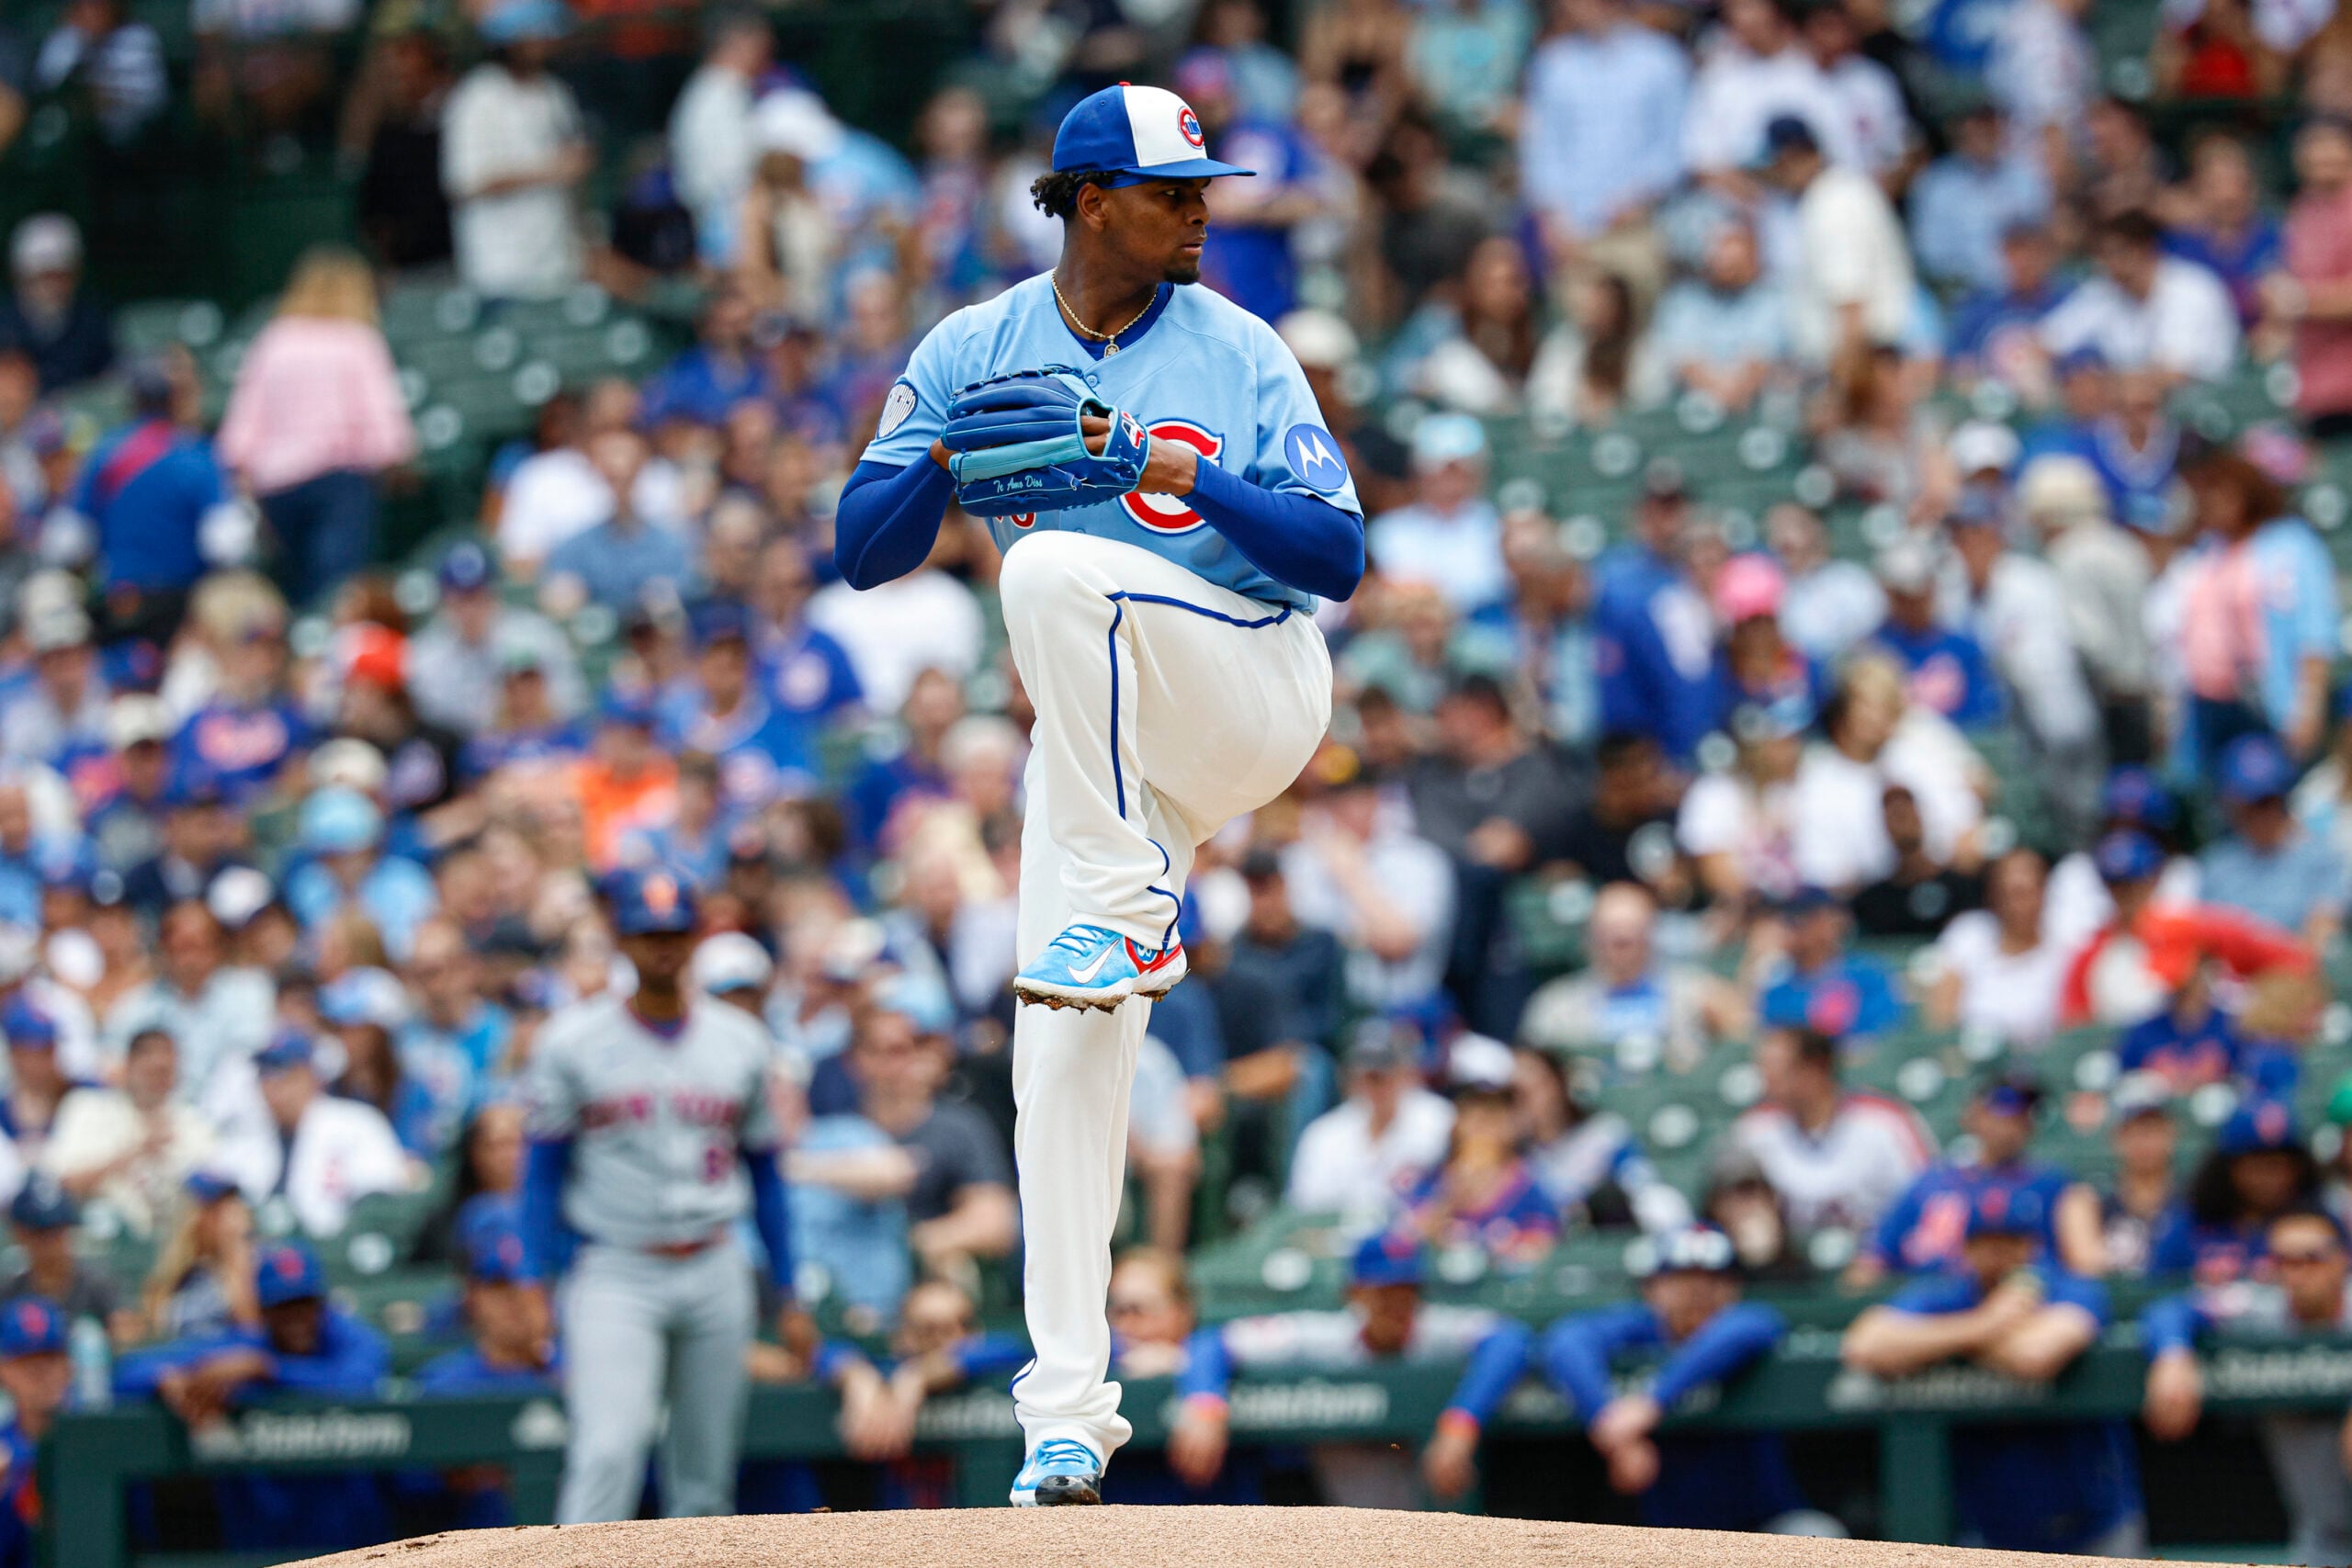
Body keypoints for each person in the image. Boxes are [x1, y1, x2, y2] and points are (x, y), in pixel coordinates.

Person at [520, 866, 797, 1525]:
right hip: (617, 1264)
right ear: (620, 936)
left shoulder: (741, 1039)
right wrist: (534, 1279)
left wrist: (787, 1291)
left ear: (697, 935)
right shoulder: (571, 1040)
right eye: (648, 934)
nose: (663, 947)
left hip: (714, 1262)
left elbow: (768, 1176)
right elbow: (539, 1175)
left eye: (675, 932)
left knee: (704, 1478)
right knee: (608, 1453)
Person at [1841, 1187, 2144, 1556]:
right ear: (1966, 1251)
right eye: (1988, 1245)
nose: (1999, 1257)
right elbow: (1863, 1344)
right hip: (1991, 1530)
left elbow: (2035, 1355)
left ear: (2031, 1248)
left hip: (2091, 1526)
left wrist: (1939, 1341)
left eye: (2011, 1244)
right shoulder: (1950, 1295)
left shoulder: (2067, 1288)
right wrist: (1984, 1324)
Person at [1167, 1233, 1532, 1508]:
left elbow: (1512, 1339)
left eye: (1406, 1289)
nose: (1396, 1303)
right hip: (1346, 1525)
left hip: (1435, 1520)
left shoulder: (1435, 1328)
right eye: (1382, 1291)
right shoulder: (1324, 1335)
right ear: (1354, 1292)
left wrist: (1460, 1424)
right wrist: (1204, 1403)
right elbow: (1211, 1343)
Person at [1540, 1224, 1835, 1533]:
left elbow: (1750, 1328)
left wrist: (1651, 1403)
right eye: (1683, 1279)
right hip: (1668, 1537)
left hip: (1763, 1526)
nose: (1698, 1292)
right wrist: (1612, 1429)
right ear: (1653, 1288)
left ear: (1733, 1288)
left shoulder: (1745, 1322)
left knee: (1818, 1535)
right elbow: (1565, 1341)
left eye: (1713, 1280)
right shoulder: (1642, 1328)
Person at [114, 1243, 393, 1552]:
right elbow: (128, 1372)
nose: (296, 1318)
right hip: (264, 1541)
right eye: (283, 1306)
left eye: (304, 1304)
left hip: (353, 1540)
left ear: (321, 1304)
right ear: (263, 1311)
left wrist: (269, 1369)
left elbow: (359, 1383)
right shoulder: (246, 1345)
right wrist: (170, 1380)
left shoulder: (348, 1339)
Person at [2141, 1206, 2352, 1566]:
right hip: (2322, 1538)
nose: (2297, 1273)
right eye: (2284, 1261)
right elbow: (2168, 1311)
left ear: (2342, 1260)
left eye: (2311, 1259)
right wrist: (2173, 1354)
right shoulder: (2260, 1307)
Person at [214, 248, 415, 609]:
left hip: (276, 489)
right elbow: (388, 437)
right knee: (335, 596)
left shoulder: (274, 340)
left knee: (292, 594)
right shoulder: (356, 339)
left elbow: (239, 436)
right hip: (337, 485)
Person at [1859, 1074, 2103, 1283]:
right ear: (1972, 1115)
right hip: (1932, 1302)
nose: (2011, 1124)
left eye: (2022, 1114)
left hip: (2023, 1301)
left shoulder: (2051, 1185)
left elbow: (2086, 1264)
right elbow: (1875, 1259)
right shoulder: (1931, 1183)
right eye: (2001, 1109)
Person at [408, 1204, 559, 1529]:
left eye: (524, 1283)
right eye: (498, 1285)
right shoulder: (440, 1384)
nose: (515, 1300)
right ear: (472, 1294)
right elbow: (410, 1488)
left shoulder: (581, 1375)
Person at [440, 0, 588, 300]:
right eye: (530, 35)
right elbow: (464, 183)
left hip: (557, 266)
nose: (540, 43)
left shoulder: (554, 93)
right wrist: (550, 171)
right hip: (500, 272)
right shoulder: (477, 97)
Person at [1519, 881, 1747, 1070]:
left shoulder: (1697, 992)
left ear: (1651, 934)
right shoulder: (1557, 1006)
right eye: (1612, 935)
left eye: (1632, 933)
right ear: (1591, 938)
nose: (1622, 945)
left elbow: (1744, 1039)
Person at [1726, 1027, 1932, 1235]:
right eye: (1763, 1068)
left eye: (1777, 1068)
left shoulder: (1885, 1122)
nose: (1767, 1079)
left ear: (1816, 1068)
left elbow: (1932, 1200)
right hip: (1790, 1264)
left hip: (1880, 1258)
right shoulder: (1754, 1129)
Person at [210, 1026, 413, 1236]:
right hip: (266, 1249)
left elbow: (382, 1196)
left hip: (336, 1252)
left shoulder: (357, 1123)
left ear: (310, 1075)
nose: (270, 1085)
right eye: (263, 1073)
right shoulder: (248, 1133)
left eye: (281, 1072)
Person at [1758, 115, 1914, 370]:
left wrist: (1845, 392)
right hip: (1865, 361)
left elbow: (1850, 305)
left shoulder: (1832, 205)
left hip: (1862, 364)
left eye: (1773, 166)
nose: (1768, 177)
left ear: (1791, 158)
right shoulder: (1842, 190)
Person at [41, 1026, 212, 1235]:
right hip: (98, 1238)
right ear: (128, 1066)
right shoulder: (87, 1108)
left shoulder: (192, 1122)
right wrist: (135, 1152)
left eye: (165, 1071)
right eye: (150, 1071)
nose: (157, 1081)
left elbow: (212, 1195)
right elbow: (63, 1185)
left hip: (170, 1239)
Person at [2040, 209, 2240, 384]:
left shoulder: (2190, 289)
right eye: (2105, 256)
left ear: (2147, 249)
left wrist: (2100, 382)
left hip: (2206, 404)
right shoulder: (2107, 290)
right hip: (2133, 406)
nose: (2111, 264)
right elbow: (2041, 342)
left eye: (2119, 253)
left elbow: (2173, 376)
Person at [1284, 1018, 1452, 1216]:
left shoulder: (1440, 1120)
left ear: (1406, 1072)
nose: (1374, 1086)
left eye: (1382, 1075)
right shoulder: (1325, 1134)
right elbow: (1305, 1208)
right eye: (1365, 1076)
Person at [2202, 732, 2352, 949]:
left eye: (2268, 801)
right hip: (2227, 975)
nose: (2261, 814)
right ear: (2231, 806)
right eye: (2249, 805)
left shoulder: (2321, 858)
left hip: (2294, 974)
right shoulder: (2216, 865)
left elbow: (2324, 933)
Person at [2153, 1098, 2324, 1283]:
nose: (2269, 1177)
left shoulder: (2321, 1224)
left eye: (2278, 1165)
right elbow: (2156, 1291)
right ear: (2230, 1169)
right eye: (2257, 1166)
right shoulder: (2193, 1224)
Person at [1365, 413, 1504, 615]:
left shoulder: (1498, 528)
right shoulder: (1388, 530)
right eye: (1442, 470)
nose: (1451, 480)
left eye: (1460, 469)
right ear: (1419, 473)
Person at [2273, 117, 2352, 437]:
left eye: (2330, 145)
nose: (2320, 155)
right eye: (2312, 146)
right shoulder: (2303, 208)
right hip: (2315, 384)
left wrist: (2298, 300)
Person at [0, 215, 112, 392]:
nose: (52, 287)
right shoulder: (4, 324)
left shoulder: (92, 323)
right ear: (19, 276)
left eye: (60, 276)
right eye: (42, 277)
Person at [2099, 1077, 2182, 1277]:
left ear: (2171, 1133)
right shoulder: (2095, 1198)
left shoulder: (2196, 1199)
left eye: (2153, 1130)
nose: (2145, 1141)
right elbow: (2086, 1260)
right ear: (2117, 1137)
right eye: (2134, 1131)